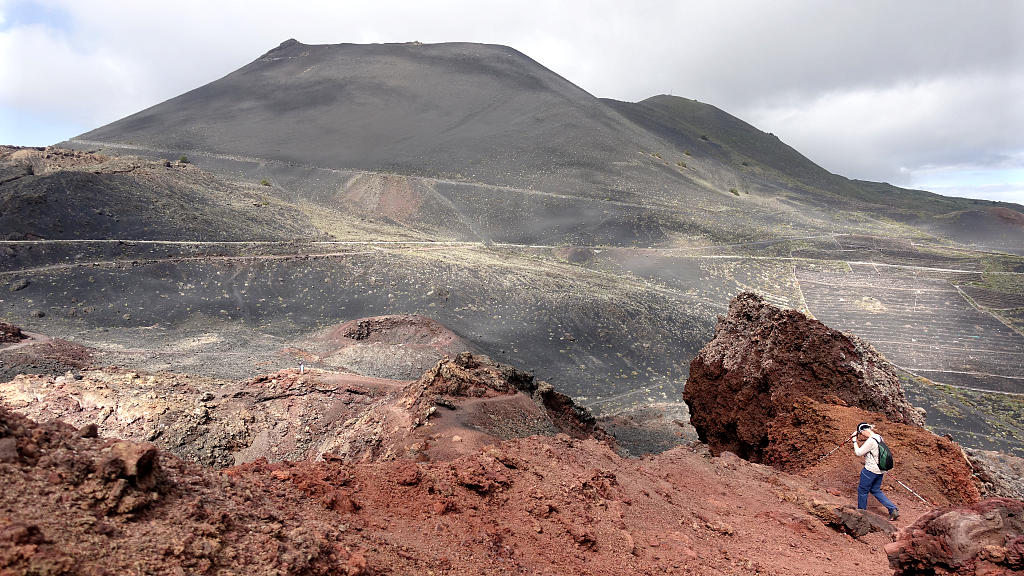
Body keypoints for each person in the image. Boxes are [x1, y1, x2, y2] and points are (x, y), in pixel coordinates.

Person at [852, 422, 899, 520]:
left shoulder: (870, 441)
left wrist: (854, 441)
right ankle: (892, 509)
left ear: (864, 431)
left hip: (870, 470)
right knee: (875, 490)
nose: (862, 435)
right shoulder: (879, 437)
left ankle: (861, 513)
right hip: (880, 470)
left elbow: (858, 453)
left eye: (861, 433)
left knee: (862, 491)